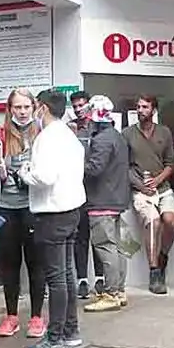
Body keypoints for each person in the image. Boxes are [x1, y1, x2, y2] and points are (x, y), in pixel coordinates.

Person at [20, 89, 86, 348]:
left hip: (52, 213)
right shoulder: (69, 136)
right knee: (67, 274)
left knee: (56, 278)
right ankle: (71, 331)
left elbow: (44, 177)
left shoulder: (46, 138)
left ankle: (55, 337)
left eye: (35, 106)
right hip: (71, 209)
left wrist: (25, 173)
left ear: (43, 108)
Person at [0, 88, 46, 340]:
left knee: (36, 262)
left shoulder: (42, 133)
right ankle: (11, 315)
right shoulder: (0, 135)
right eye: (17, 108)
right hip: (6, 205)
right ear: (10, 109)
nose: (22, 112)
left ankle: (36, 316)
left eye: (26, 107)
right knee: (9, 264)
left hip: (33, 205)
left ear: (34, 107)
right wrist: (0, 172)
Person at [122, 95, 174, 295]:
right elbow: (125, 166)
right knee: (154, 222)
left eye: (145, 107)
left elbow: (171, 164)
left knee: (171, 220)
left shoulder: (164, 132)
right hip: (140, 190)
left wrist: (157, 181)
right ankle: (154, 273)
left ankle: (162, 256)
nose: (140, 110)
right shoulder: (127, 133)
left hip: (162, 187)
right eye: (138, 107)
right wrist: (141, 185)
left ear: (153, 110)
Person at [81, 95, 132, 313]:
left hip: (102, 201)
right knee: (120, 247)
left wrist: (76, 164)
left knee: (105, 246)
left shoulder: (101, 140)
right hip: (118, 199)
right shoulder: (117, 137)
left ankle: (111, 294)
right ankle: (119, 291)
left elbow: (94, 168)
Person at [68, 90, 105, 299]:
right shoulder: (70, 128)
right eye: (74, 106)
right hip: (76, 188)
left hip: (96, 188)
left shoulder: (99, 127)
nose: (78, 109)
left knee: (97, 236)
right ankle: (82, 279)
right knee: (80, 237)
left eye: (81, 105)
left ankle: (100, 278)